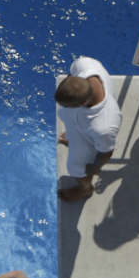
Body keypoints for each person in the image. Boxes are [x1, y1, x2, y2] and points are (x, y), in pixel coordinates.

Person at [56, 57, 123, 202]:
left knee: (76, 168)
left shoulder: (103, 126)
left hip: (89, 140)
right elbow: (72, 73)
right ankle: (74, 137)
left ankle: (85, 189)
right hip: (80, 127)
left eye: (69, 106)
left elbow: (106, 151)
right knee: (67, 119)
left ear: (84, 103)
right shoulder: (84, 63)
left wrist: (95, 167)